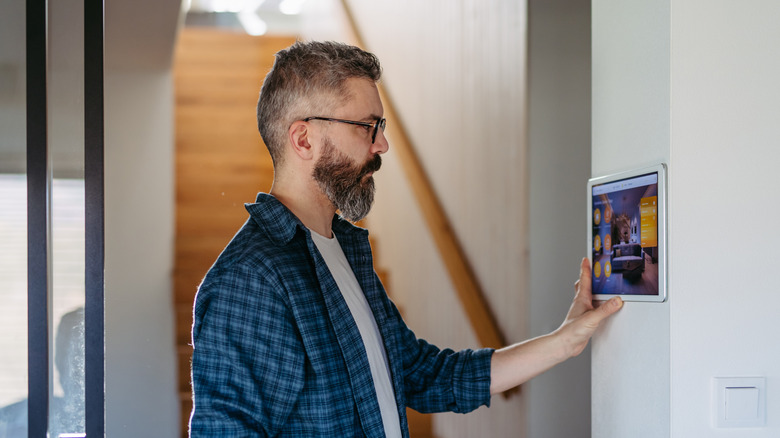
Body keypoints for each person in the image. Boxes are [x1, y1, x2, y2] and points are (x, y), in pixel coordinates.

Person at [189, 41, 622, 438]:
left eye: (381, 126)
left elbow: (425, 375)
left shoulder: (345, 252)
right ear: (303, 138)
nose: (383, 144)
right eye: (367, 127)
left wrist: (566, 340)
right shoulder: (250, 280)